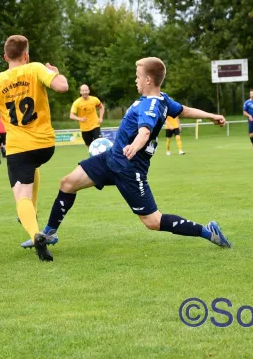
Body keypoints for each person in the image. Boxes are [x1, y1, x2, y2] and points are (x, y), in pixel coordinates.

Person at [20, 57, 232, 254]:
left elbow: (145, 131)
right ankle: (49, 233)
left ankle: (207, 231)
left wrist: (135, 146)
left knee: (153, 222)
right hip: (111, 159)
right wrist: (211, 116)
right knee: (67, 183)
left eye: (138, 76)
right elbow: (183, 110)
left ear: (148, 79)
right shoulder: (162, 99)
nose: (136, 80)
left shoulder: (151, 105)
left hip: (129, 170)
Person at [0, 35, 69, 261]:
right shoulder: (35, 69)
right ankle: (31, 214)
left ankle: (35, 234)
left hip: (18, 147)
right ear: (26, 54)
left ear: (5, 57)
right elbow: (62, 86)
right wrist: (56, 71)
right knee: (33, 169)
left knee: (20, 195)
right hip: (45, 145)